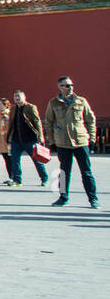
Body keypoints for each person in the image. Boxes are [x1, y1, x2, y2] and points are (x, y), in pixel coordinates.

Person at [43, 77, 99, 208]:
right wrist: (51, 141)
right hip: (63, 142)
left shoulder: (81, 101)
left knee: (86, 172)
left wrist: (92, 138)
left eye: (71, 85)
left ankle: (93, 198)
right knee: (64, 172)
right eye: (67, 85)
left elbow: (91, 120)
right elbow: (49, 122)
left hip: (80, 141)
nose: (70, 87)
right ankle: (63, 197)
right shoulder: (54, 103)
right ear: (60, 87)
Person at [8, 90, 49, 187]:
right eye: (15, 96)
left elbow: (37, 122)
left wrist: (41, 136)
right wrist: (8, 138)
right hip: (16, 140)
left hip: (30, 139)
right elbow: (11, 124)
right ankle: (17, 180)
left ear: (24, 97)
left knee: (37, 160)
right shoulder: (13, 109)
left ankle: (44, 179)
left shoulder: (30, 107)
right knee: (15, 160)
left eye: (18, 96)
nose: (17, 98)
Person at [0, 98, 14, 184]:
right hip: (2, 140)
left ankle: (14, 176)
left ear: (5, 105)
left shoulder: (10, 114)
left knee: (11, 159)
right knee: (6, 159)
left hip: (9, 140)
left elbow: (12, 126)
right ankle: (10, 176)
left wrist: (7, 120)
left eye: (0, 104)